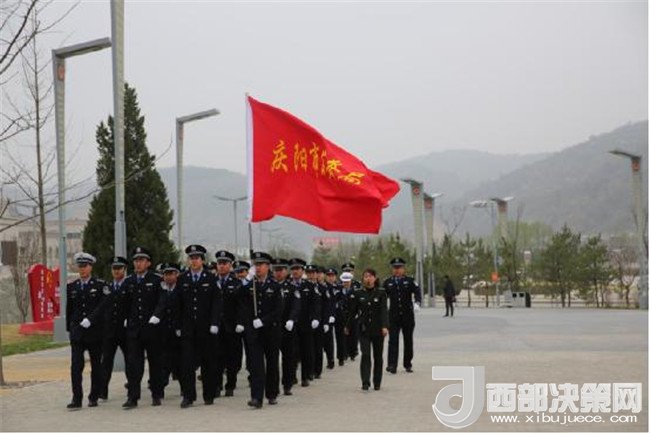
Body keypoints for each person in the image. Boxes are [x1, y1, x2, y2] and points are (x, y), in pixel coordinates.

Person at [176, 244, 222, 408]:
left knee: (208, 363)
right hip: (188, 328)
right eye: (191, 258)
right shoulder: (182, 279)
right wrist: (178, 325)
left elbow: (217, 303)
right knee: (187, 364)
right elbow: (178, 304)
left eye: (197, 258)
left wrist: (215, 323)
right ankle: (188, 396)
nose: (194, 261)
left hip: (206, 328)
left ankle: (208, 394)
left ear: (202, 260)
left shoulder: (211, 278)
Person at [236, 251, 283, 408]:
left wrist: (263, 321)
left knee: (272, 363)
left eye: (261, 265)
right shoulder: (251, 284)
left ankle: (272, 393)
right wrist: (246, 279)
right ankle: (256, 397)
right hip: (254, 332)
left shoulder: (275, 286)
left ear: (268, 267)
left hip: (271, 331)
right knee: (256, 365)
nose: (258, 268)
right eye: (256, 265)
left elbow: (279, 310)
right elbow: (237, 295)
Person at [122, 247, 167, 409]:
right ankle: (132, 397)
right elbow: (124, 303)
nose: (138, 263)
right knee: (134, 365)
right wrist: (125, 319)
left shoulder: (157, 280)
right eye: (136, 260)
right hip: (134, 329)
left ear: (148, 263)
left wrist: (157, 316)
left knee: (155, 363)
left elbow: (162, 301)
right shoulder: (129, 281)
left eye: (141, 260)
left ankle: (156, 393)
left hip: (152, 328)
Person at [66, 252, 108, 409]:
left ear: (91, 267)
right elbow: (70, 309)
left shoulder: (100, 285)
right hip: (78, 332)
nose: (82, 269)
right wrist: (70, 328)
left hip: (95, 332)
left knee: (96, 365)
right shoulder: (72, 286)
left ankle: (93, 396)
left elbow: (103, 306)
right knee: (76, 366)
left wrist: (91, 319)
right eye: (80, 266)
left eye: (85, 266)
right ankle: (76, 398)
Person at [345, 268, 388, 391]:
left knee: (378, 356)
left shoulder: (381, 293)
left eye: (370, 276)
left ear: (375, 278)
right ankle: (365, 381)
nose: (368, 278)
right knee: (365, 355)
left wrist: (385, 326)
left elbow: (384, 311)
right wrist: (347, 326)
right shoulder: (358, 293)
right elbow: (353, 311)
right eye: (365, 276)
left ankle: (377, 382)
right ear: (363, 279)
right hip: (364, 329)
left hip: (378, 329)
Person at [383, 257, 421, 374]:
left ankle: (407, 363)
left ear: (403, 269)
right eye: (395, 268)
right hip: (393, 316)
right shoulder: (388, 282)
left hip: (407, 315)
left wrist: (417, 303)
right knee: (393, 341)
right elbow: (382, 296)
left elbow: (417, 291)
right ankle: (392, 365)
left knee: (408, 340)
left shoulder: (409, 281)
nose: (397, 270)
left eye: (399, 268)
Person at [213, 250, 243, 397]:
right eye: (219, 263)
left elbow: (241, 306)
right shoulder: (212, 281)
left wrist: (240, 322)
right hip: (216, 326)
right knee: (216, 357)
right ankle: (217, 385)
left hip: (232, 326)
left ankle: (230, 384)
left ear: (230, 265)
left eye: (225, 263)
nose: (222, 266)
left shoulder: (237, 283)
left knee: (232, 357)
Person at [100, 256, 129, 401]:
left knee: (130, 359)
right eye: (114, 268)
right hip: (109, 330)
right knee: (106, 361)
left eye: (119, 268)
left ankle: (132, 386)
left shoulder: (129, 285)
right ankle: (102, 390)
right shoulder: (107, 287)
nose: (116, 271)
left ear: (125, 269)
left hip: (125, 330)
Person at [289, 258, 321, 387]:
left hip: (305, 322)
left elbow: (316, 304)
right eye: (293, 269)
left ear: (302, 271)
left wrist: (316, 318)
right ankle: (292, 376)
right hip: (291, 323)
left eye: (297, 269)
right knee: (292, 351)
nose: (295, 271)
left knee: (306, 351)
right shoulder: (287, 285)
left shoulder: (310, 286)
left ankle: (305, 376)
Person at [274, 258, 301, 396]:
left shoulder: (292, 287)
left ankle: (287, 384)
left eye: (280, 270)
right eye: (276, 270)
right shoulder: (270, 286)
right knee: (272, 359)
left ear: (286, 271)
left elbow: (296, 305)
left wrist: (291, 319)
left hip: (287, 326)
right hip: (272, 327)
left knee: (288, 357)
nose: (278, 273)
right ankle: (273, 387)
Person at [159, 262, 182, 396]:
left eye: (171, 274)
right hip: (163, 331)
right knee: (163, 362)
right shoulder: (160, 289)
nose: (168, 277)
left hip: (178, 331)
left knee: (180, 362)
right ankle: (160, 388)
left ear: (177, 274)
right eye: (165, 274)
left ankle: (184, 389)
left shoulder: (181, 289)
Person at [341, 262, 360, 360]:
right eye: (346, 271)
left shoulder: (357, 284)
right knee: (344, 333)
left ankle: (353, 351)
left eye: (350, 271)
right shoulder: (340, 284)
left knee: (354, 333)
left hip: (354, 313)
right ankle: (345, 352)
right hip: (344, 313)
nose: (348, 272)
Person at [334, 272, 351, 366]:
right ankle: (341, 357)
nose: (346, 283)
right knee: (340, 337)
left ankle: (350, 352)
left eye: (347, 281)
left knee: (349, 336)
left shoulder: (354, 291)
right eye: (344, 282)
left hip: (350, 316)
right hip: (339, 316)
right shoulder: (338, 290)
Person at [322, 267, 337, 370]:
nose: (330, 278)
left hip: (330, 317)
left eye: (332, 276)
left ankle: (330, 359)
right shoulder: (323, 287)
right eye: (328, 275)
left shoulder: (336, 287)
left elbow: (334, 303)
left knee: (329, 339)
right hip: (323, 316)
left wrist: (332, 315)